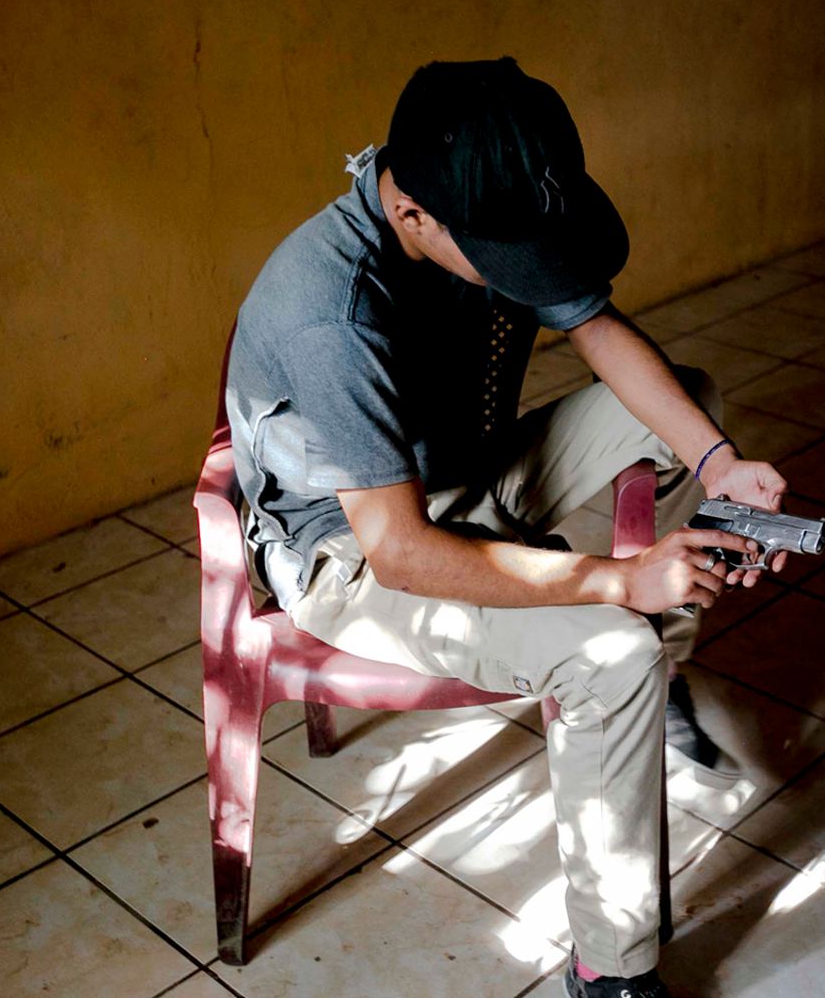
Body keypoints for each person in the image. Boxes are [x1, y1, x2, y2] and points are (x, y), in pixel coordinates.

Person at [226, 57, 791, 998]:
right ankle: (612, 973)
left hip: (467, 471)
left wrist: (720, 464)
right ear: (408, 214)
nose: (519, 274)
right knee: (610, 653)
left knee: (686, 407)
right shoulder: (330, 310)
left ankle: (665, 655)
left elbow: (596, 326)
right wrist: (616, 583)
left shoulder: (470, 198)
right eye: (504, 257)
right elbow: (400, 551)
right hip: (357, 553)